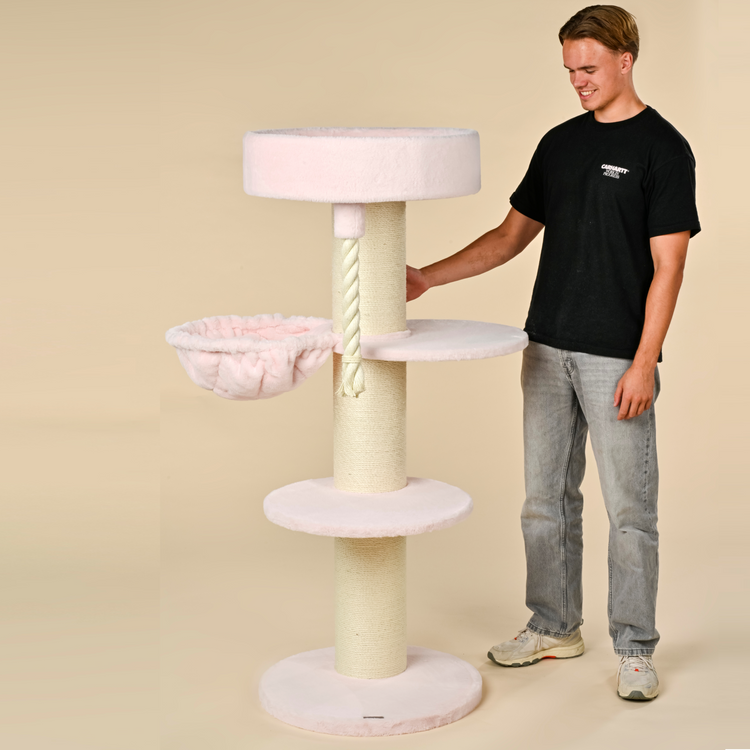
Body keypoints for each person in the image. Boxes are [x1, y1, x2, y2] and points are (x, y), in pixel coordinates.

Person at [406, 5, 700, 701]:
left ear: (626, 59)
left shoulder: (664, 149)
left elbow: (669, 266)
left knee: (631, 512)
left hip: (616, 359)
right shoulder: (560, 144)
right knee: (544, 502)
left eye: (589, 68)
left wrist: (644, 362)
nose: (578, 82)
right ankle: (554, 625)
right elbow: (508, 238)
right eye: (570, 71)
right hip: (544, 350)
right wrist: (425, 278)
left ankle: (635, 648)